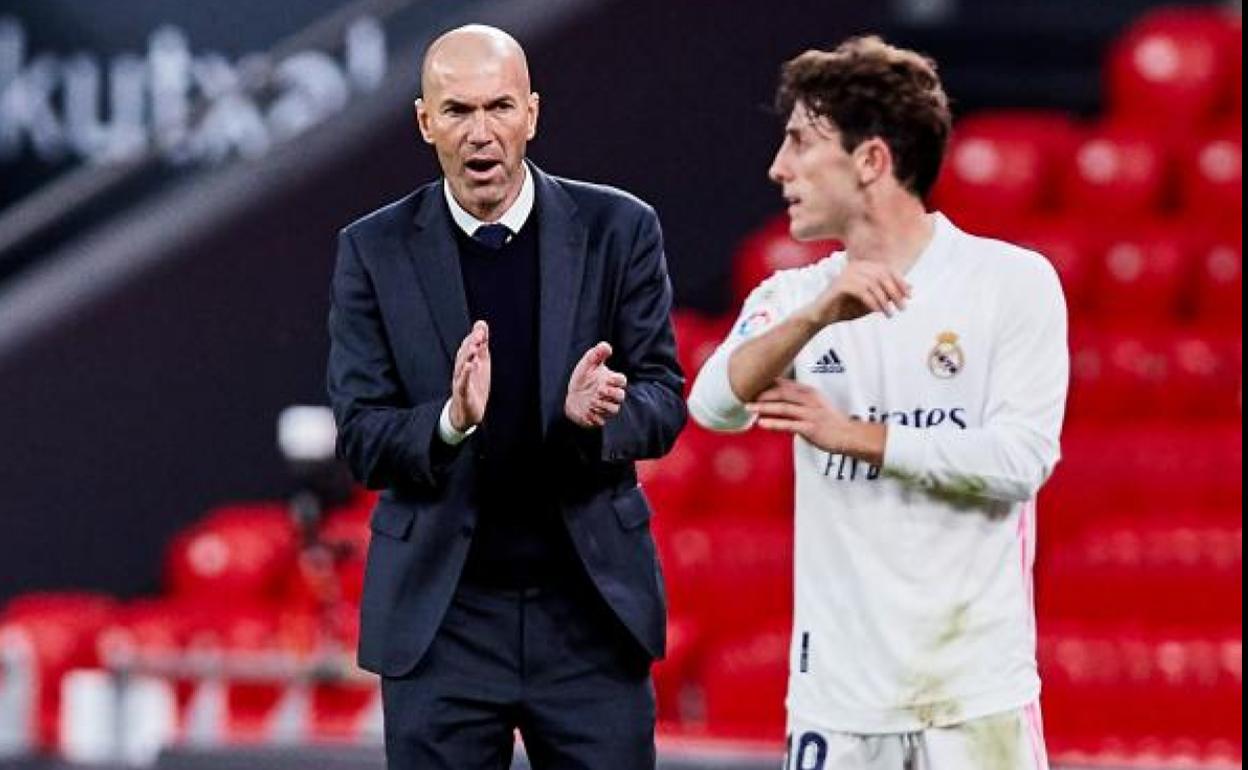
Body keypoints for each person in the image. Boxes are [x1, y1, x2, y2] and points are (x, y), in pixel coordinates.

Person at [688, 36, 1067, 770]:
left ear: (870, 161)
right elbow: (712, 405)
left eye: (800, 141)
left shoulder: (1009, 283)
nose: (778, 167)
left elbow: (1021, 459)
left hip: (973, 698)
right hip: (837, 702)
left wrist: (857, 436)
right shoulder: (794, 296)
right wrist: (817, 317)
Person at [326, 25, 685, 769]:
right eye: (457, 111)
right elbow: (363, 436)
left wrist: (601, 418)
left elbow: (664, 400)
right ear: (425, 121)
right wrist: (450, 422)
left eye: (499, 107)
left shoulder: (621, 229)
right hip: (442, 620)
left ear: (533, 113)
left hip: (588, 612)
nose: (480, 134)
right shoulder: (373, 249)